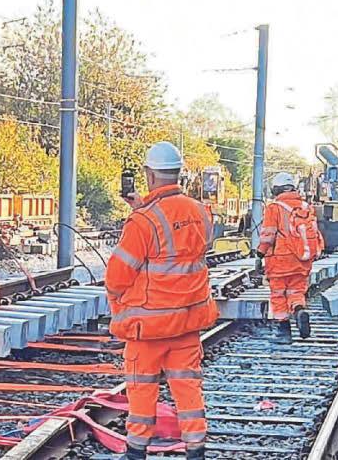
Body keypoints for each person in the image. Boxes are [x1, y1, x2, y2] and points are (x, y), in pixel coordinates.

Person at [106, 141, 217, 460]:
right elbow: (177, 241)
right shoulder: (200, 212)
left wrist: (118, 303)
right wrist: (142, 207)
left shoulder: (143, 222)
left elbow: (117, 276)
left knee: (142, 389)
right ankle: (196, 449)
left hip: (149, 326)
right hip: (187, 322)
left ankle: (136, 451)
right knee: (187, 386)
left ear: (149, 174)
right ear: (177, 173)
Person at [256, 172, 325, 344]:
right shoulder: (305, 207)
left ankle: (283, 331)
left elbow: (268, 235)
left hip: (280, 260)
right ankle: (299, 309)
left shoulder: (274, 208)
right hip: (302, 258)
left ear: (276, 189)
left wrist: (260, 253)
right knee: (296, 291)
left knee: (278, 294)